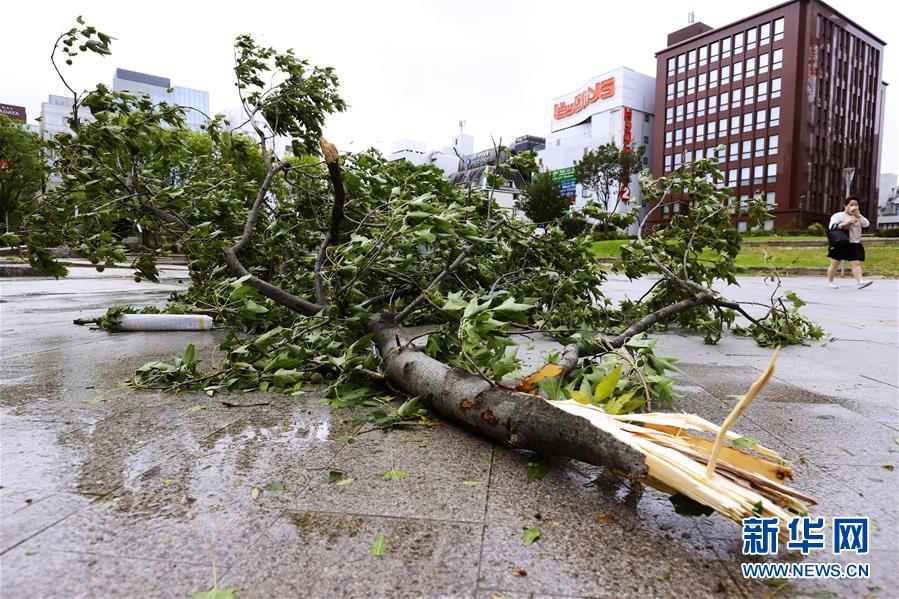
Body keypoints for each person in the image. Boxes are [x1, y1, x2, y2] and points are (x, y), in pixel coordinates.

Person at [826, 196, 872, 289]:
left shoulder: (858, 216)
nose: (854, 206)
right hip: (840, 242)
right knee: (835, 263)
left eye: (856, 205)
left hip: (854, 243)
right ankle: (830, 282)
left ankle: (860, 282)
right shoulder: (839, 215)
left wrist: (858, 215)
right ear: (845, 206)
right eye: (851, 204)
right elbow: (832, 226)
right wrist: (845, 224)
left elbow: (866, 224)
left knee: (856, 263)